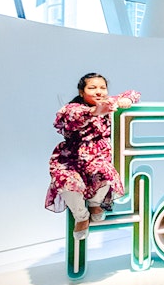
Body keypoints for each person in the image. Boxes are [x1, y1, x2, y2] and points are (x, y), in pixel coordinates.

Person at [45, 73, 139, 240]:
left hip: (98, 154)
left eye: (102, 88)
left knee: (104, 171)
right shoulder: (72, 108)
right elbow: (73, 115)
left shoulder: (109, 103)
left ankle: (96, 204)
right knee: (65, 181)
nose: (98, 91)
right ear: (82, 92)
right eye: (92, 87)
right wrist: (94, 111)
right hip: (71, 157)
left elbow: (132, 93)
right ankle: (81, 217)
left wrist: (128, 100)